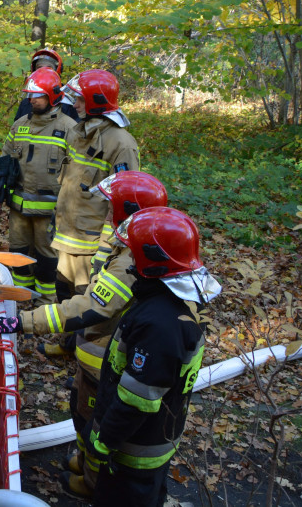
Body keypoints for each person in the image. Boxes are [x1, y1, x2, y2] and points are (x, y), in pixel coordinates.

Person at [0, 171, 169, 499]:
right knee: (82, 411)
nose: (107, 211)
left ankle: (92, 482)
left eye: (112, 206)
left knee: (95, 422)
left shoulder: (130, 260)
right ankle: (86, 462)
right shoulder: (127, 242)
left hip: (105, 361)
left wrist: (24, 322)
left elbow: (92, 307)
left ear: (127, 210)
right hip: (94, 353)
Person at [84, 206, 219, 506]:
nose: (130, 260)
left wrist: (104, 441)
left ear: (151, 260)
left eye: (134, 254)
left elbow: (137, 400)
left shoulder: (159, 324)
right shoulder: (172, 302)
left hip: (134, 450)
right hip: (151, 441)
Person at [51, 70, 140, 306]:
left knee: (86, 302)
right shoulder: (78, 134)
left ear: (97, 101)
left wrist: (106, 248)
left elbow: (125, 204)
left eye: (81, 99)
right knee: (64, 295)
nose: (75, 105)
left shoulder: (121, 144)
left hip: (92, 246)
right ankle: (64, 335)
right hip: (67, 237)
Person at [0, 67, 76, 302]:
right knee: (18, 254)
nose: (32, 100)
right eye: (30, 95)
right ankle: (21, 298)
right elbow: (6, 160)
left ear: (53, 96)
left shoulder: (69, 128)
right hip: (19, 206)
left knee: (47, 258)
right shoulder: (20, 124)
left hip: (50, 211)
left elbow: (77, 173)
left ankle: (45, 302)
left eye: (38, 96)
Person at [15, 49, 79, 121]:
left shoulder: (69, 102)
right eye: (39, 67)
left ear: (57, 70)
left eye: (49, 68)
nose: (43, 71)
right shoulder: (27, 102)